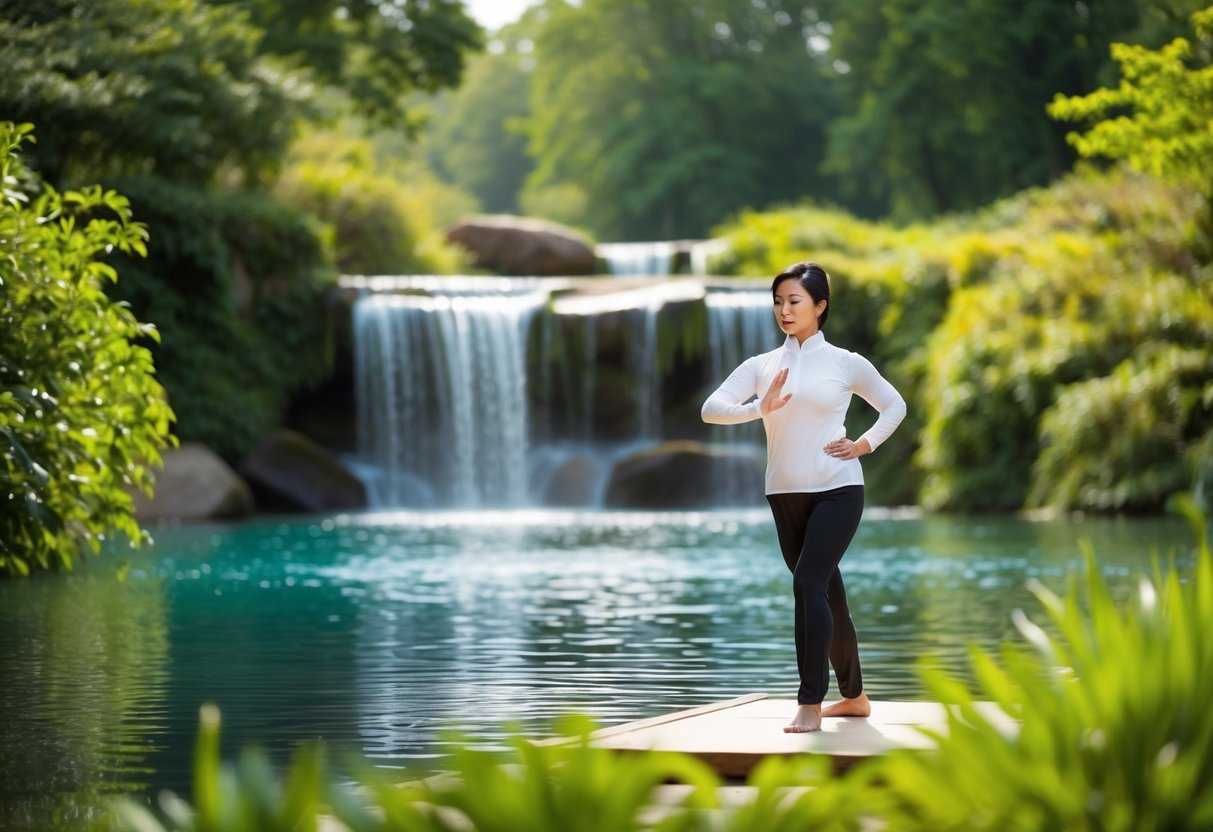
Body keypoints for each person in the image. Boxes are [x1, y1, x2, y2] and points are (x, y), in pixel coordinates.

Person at [701, 261, 906, 733]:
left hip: (838, 487)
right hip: (784, 493)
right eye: (777, 301)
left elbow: (894, 405)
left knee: (807, 584)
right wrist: (758, 408)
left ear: (820, 306)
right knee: (827, 595)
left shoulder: (845, 362)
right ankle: (855, 697)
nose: (784, 310)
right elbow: (712, 410)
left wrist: (863, 444)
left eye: (794, 301)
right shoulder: (762, 367)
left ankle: (809, 702)